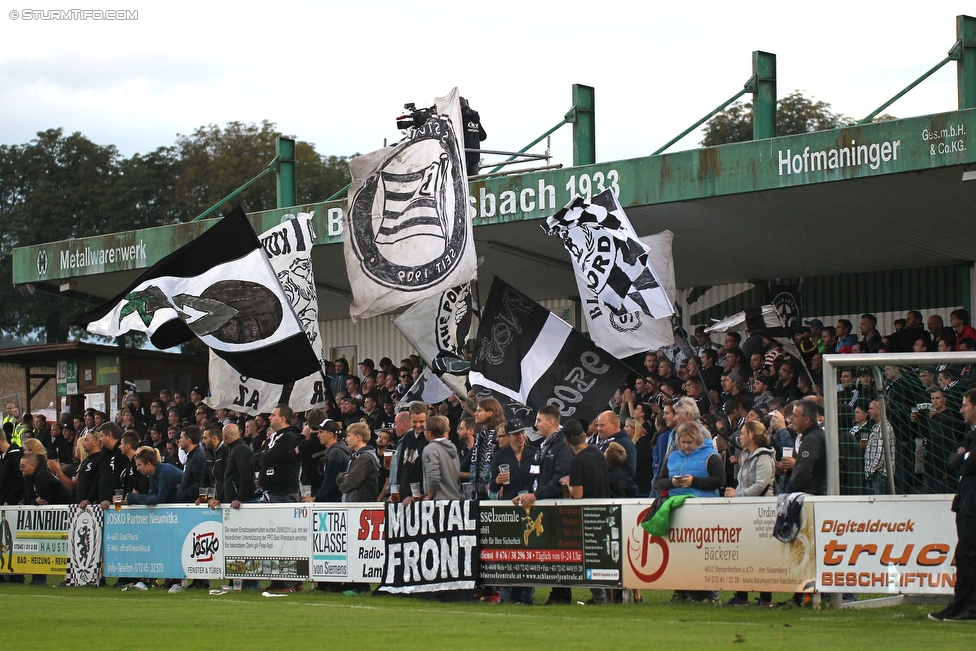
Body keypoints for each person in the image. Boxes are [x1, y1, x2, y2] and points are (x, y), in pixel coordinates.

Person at [930, 389, 976, 620]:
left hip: (973, 504)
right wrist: (962, 457)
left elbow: (968, 463)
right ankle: (962, 605)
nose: (961, 409)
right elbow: (953, 461)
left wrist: (963, 457)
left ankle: (967, 607)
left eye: (965, 405)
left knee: (966, 554)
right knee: (966, 554)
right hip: (965, 501)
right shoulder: (970, 433)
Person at [725, 421, 776, 606]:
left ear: (752, 435)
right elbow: (744, 482)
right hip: (745, 508)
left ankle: (765, 597)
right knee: (743, 551)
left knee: (762, 553)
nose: (740, 436)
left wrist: (738, 494)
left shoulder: (763, 457)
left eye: (744, 433)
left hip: (761, 511)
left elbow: (761, 485)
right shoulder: (746, 455)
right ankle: (742, 595)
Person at [565, 420, 610, 605]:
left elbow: (577, 494)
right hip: (605, 509)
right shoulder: (597, 452)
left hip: (588, 513)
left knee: (590, 557)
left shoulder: (577, 461)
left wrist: (567, 482)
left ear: (566, 442)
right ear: (584, 435)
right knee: (603, 556)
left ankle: (600, 597)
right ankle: (608, 595)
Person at [654, 422, 724, 498]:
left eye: (689, 442)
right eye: (683, 442)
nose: (686, 446)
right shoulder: (671, 457)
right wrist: (672, 483)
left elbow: (720, 480)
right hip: (676, 502)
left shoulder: (711, 456)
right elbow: (660, 482)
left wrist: (694, 482)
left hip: (703, 503)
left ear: (697, 440)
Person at [780, 400, 827, 495]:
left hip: (811, 496)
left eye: (795, 416)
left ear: (806, 420)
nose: (791, 418)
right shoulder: (815, 435)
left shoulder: (811, 439)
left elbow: (803, 471)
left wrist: (788, 492)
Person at [259, 405, 302, 503]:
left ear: (282, 419)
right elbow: (256, 458)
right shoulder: (273, 437)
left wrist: (264, 456)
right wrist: (264, 456)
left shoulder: (289, 437)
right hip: (269, 492)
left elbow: (268, 460)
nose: (269, 417)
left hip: (283, 493)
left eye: (273, 415)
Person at [419, 415, 461, 501]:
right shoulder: (452, 446)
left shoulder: (430, 449)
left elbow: (433, 476)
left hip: (439, 500)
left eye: (425, 429)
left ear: (430, 433)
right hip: (455, 498)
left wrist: (430, 496)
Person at [337, 422, 380, 503]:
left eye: (349, 436)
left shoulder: (365, 458)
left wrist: (342, 477)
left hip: (360, 507)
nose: (346, 439)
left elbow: (347, 484)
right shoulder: (356, 456)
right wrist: (342, 476)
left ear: (358, 438)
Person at [176, 426, 206, 503]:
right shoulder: (191, 456)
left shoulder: (197, 458)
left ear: (188, 440)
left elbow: (200, 482)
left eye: (181, 438)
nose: (179, 440)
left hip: (192, 503)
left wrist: (184, 493)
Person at [460, 96, 487, 175]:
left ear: (460, 105)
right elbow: (483, 136)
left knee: (463, 180)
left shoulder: (460, 117)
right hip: (475, 154)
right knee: (474, 180)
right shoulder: (475, 119)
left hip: (464, 154)